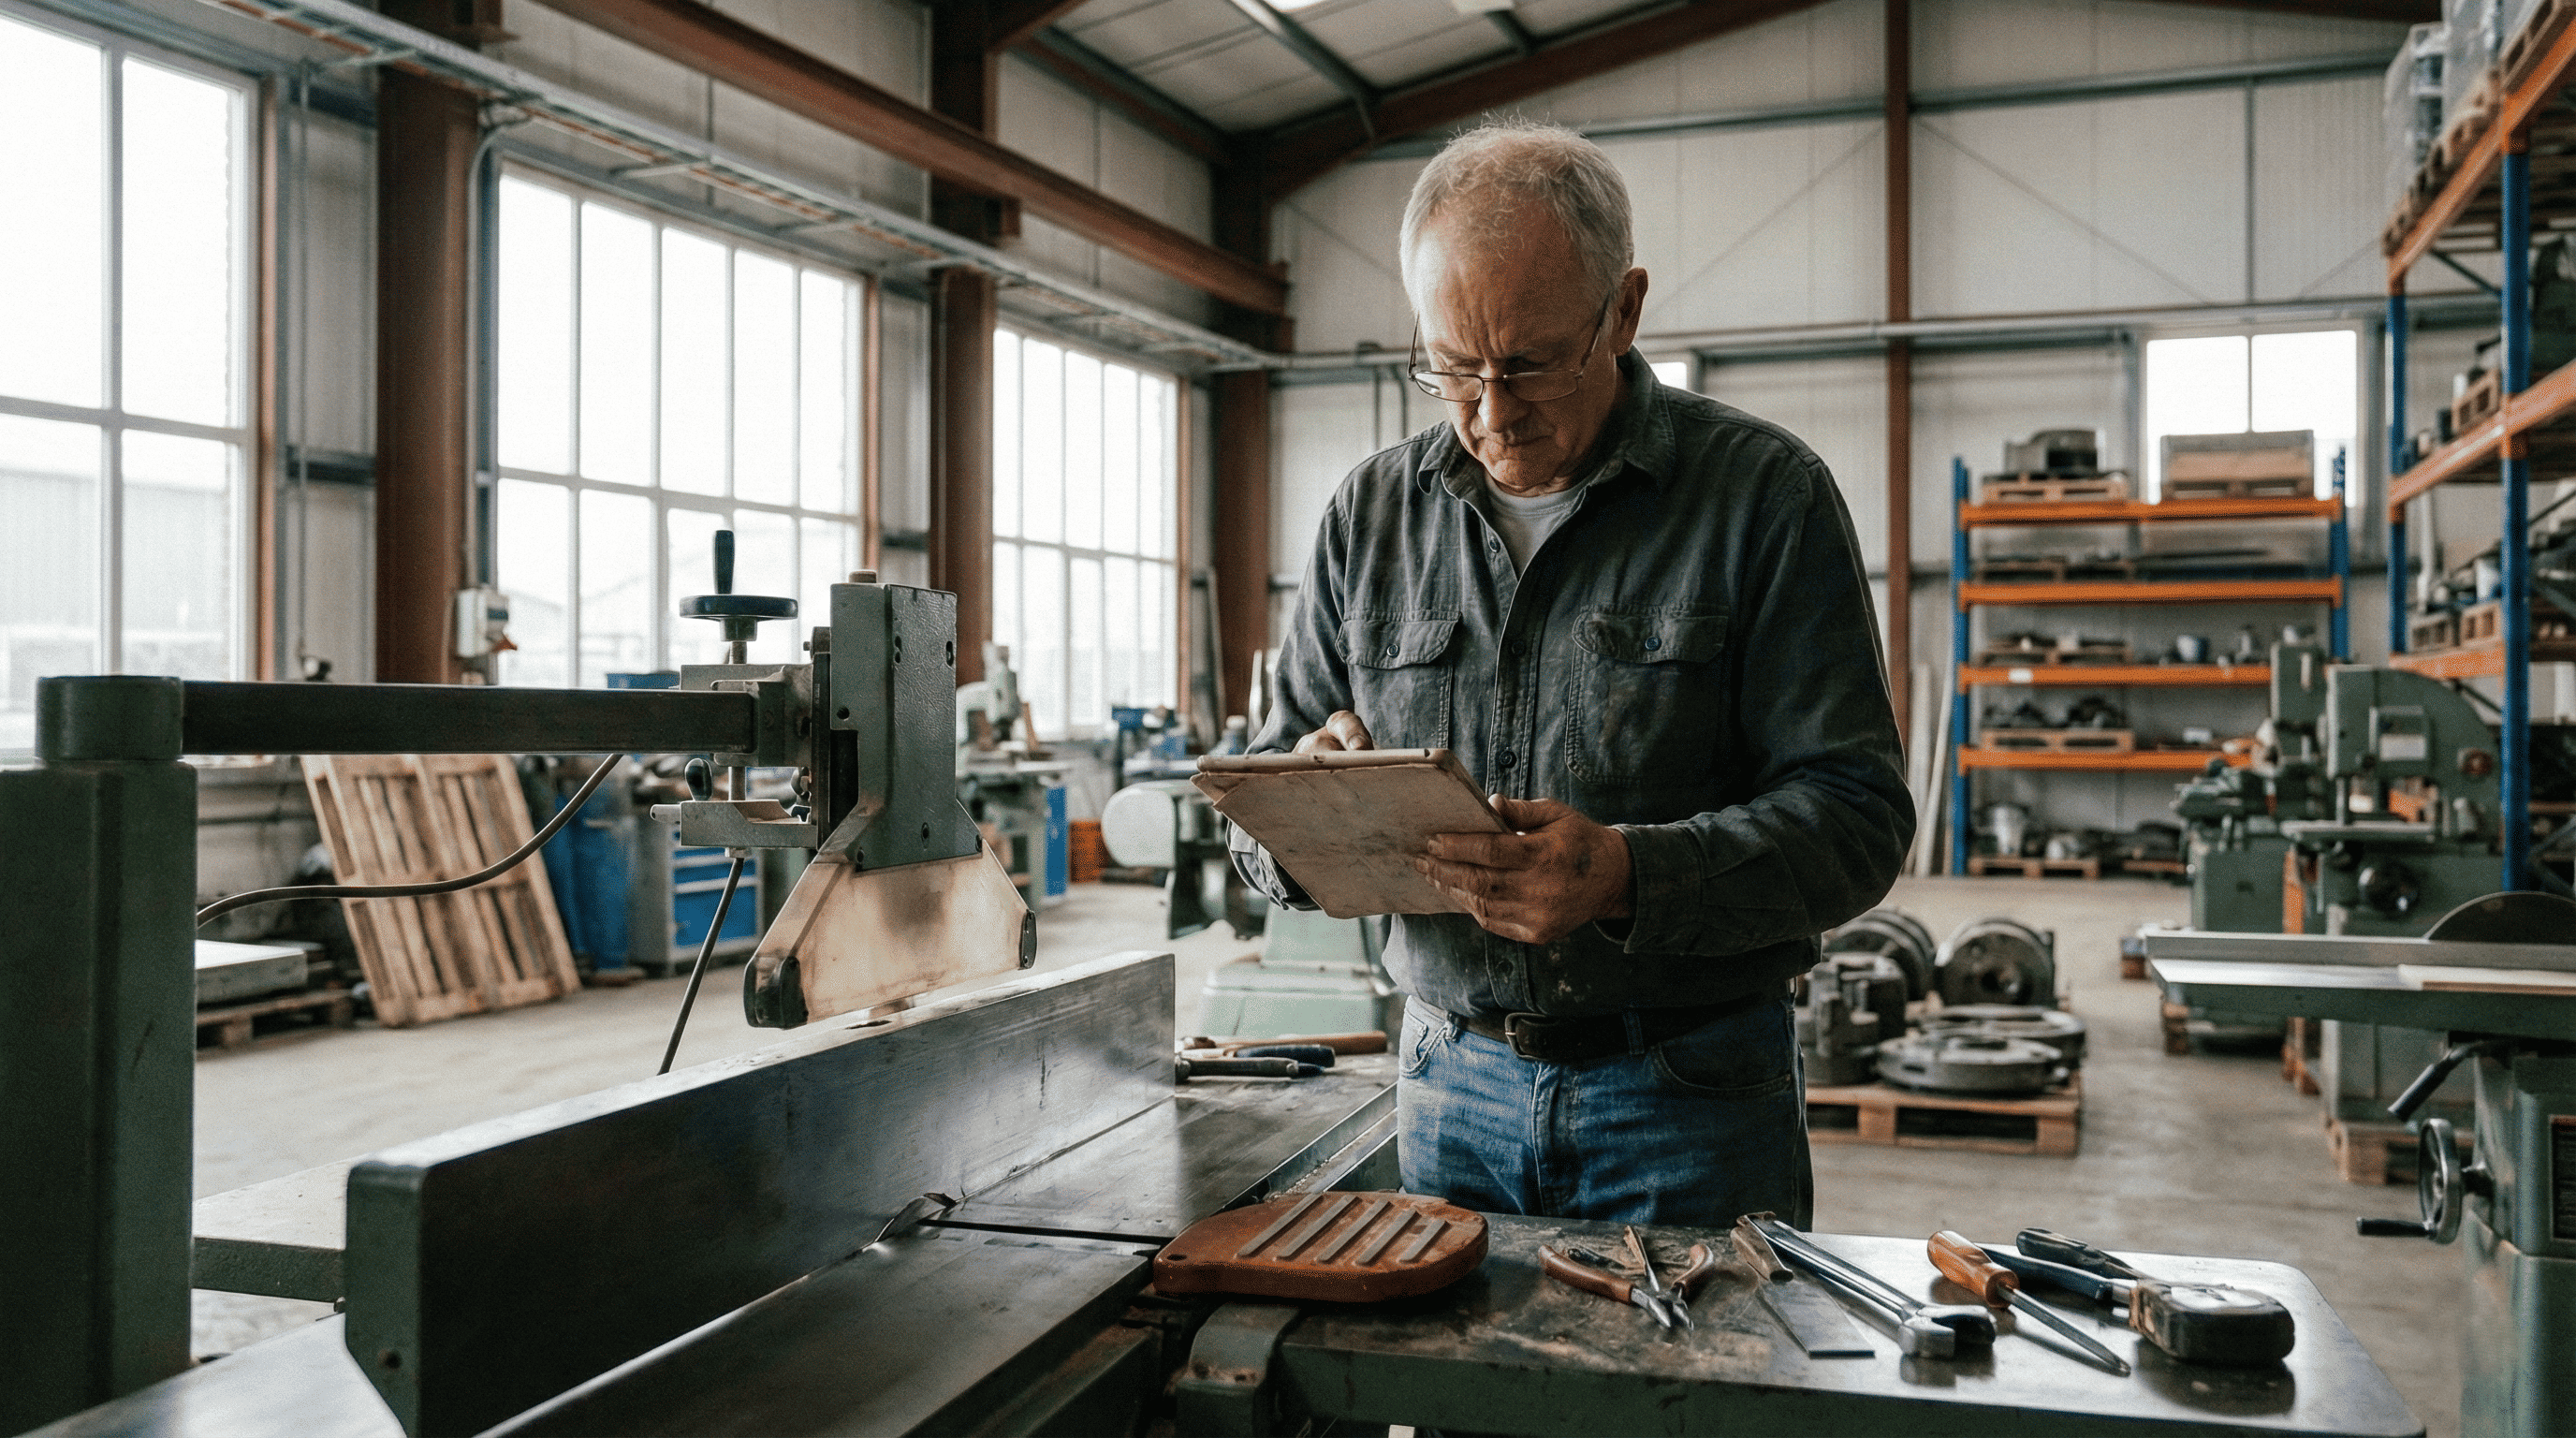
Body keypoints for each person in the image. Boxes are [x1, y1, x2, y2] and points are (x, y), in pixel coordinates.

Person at [1229, 121, 1912, 1228]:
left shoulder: (1762, 500)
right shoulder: (1370, 518)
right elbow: (1255, 801)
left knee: (1691, 1399)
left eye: (1531, 363)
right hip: (1448, 1089)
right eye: (1451, 367)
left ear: (1625, 311)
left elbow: (1858, 821)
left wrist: (1628, 878)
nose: (1492, 414)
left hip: (1686, 1096)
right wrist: (1303, 813)